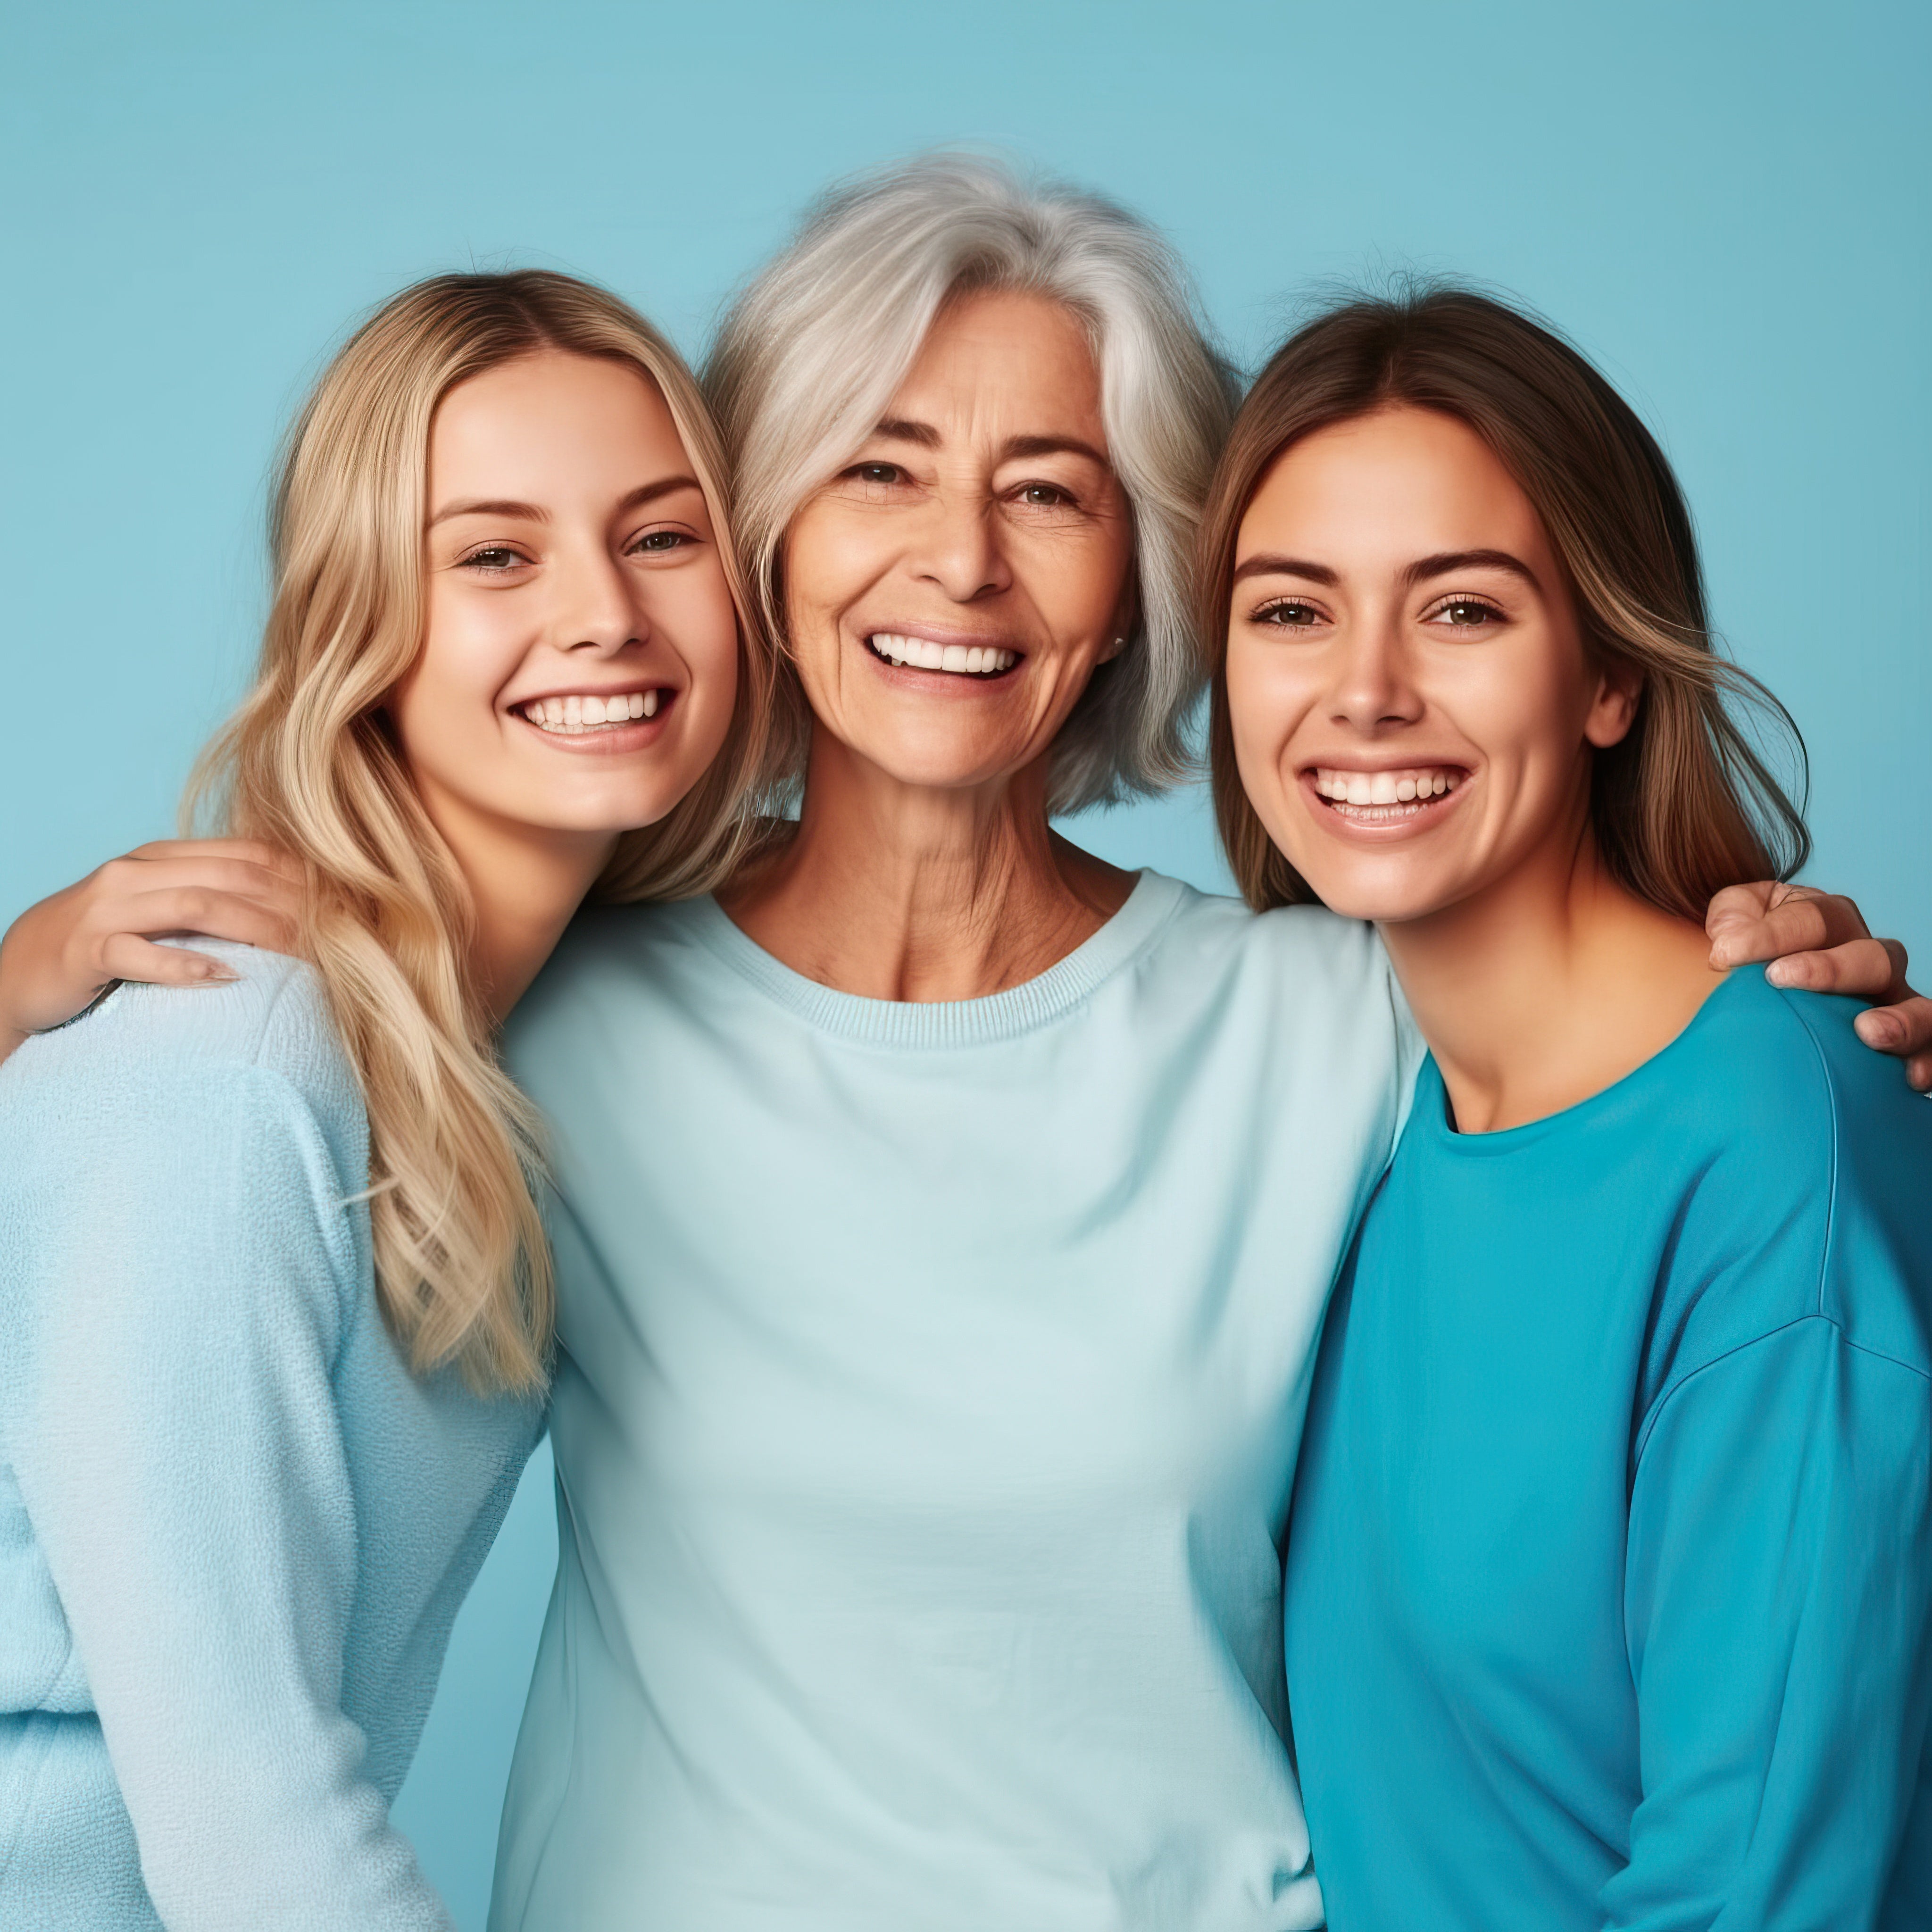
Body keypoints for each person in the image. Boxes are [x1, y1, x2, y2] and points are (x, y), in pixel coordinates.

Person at [3, 160, 1924, 1932]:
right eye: (880, 468)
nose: (960, 561)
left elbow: (1645, 1114)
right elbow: (167, 1201)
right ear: (765, 542)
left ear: (1137, 589)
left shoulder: (1337, 1021)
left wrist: (1812, 1010)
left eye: (1050, 489)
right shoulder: (530, 1010)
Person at [0, 267, 770, 1928]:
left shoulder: (509, 1051)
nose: (605, 617)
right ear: (366, 620)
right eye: (495, 553)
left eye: (661, 535)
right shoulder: (229, 1055)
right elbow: (242, 1807)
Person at [1200, 284, 1932, 1928]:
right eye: (1291, 611)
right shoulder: (1346, 1116)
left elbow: (1760, 1891)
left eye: (1460, 611)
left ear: (1608, 674)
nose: (1365, 693)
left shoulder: (1775, 1133)